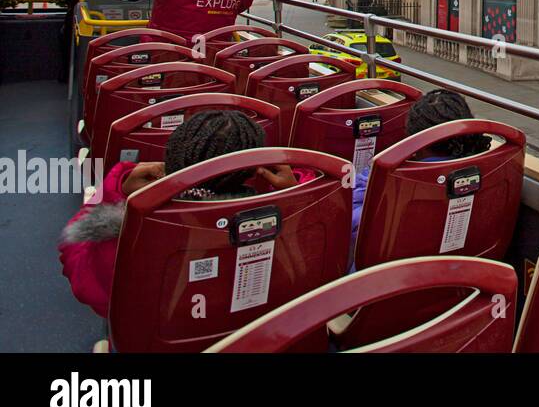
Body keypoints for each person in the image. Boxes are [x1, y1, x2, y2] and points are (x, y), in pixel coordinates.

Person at [57, 109, 305, 318]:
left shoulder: (140, 230)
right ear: (254, 170)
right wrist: (297, 193)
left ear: (171, 160)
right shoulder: (288, 224)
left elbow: (82, 274)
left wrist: (115, 188)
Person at [350, 89, 488, 253]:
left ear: (412, 137)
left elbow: (354, 222)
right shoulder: (487, 169)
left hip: (388, 273)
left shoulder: (388, 174)